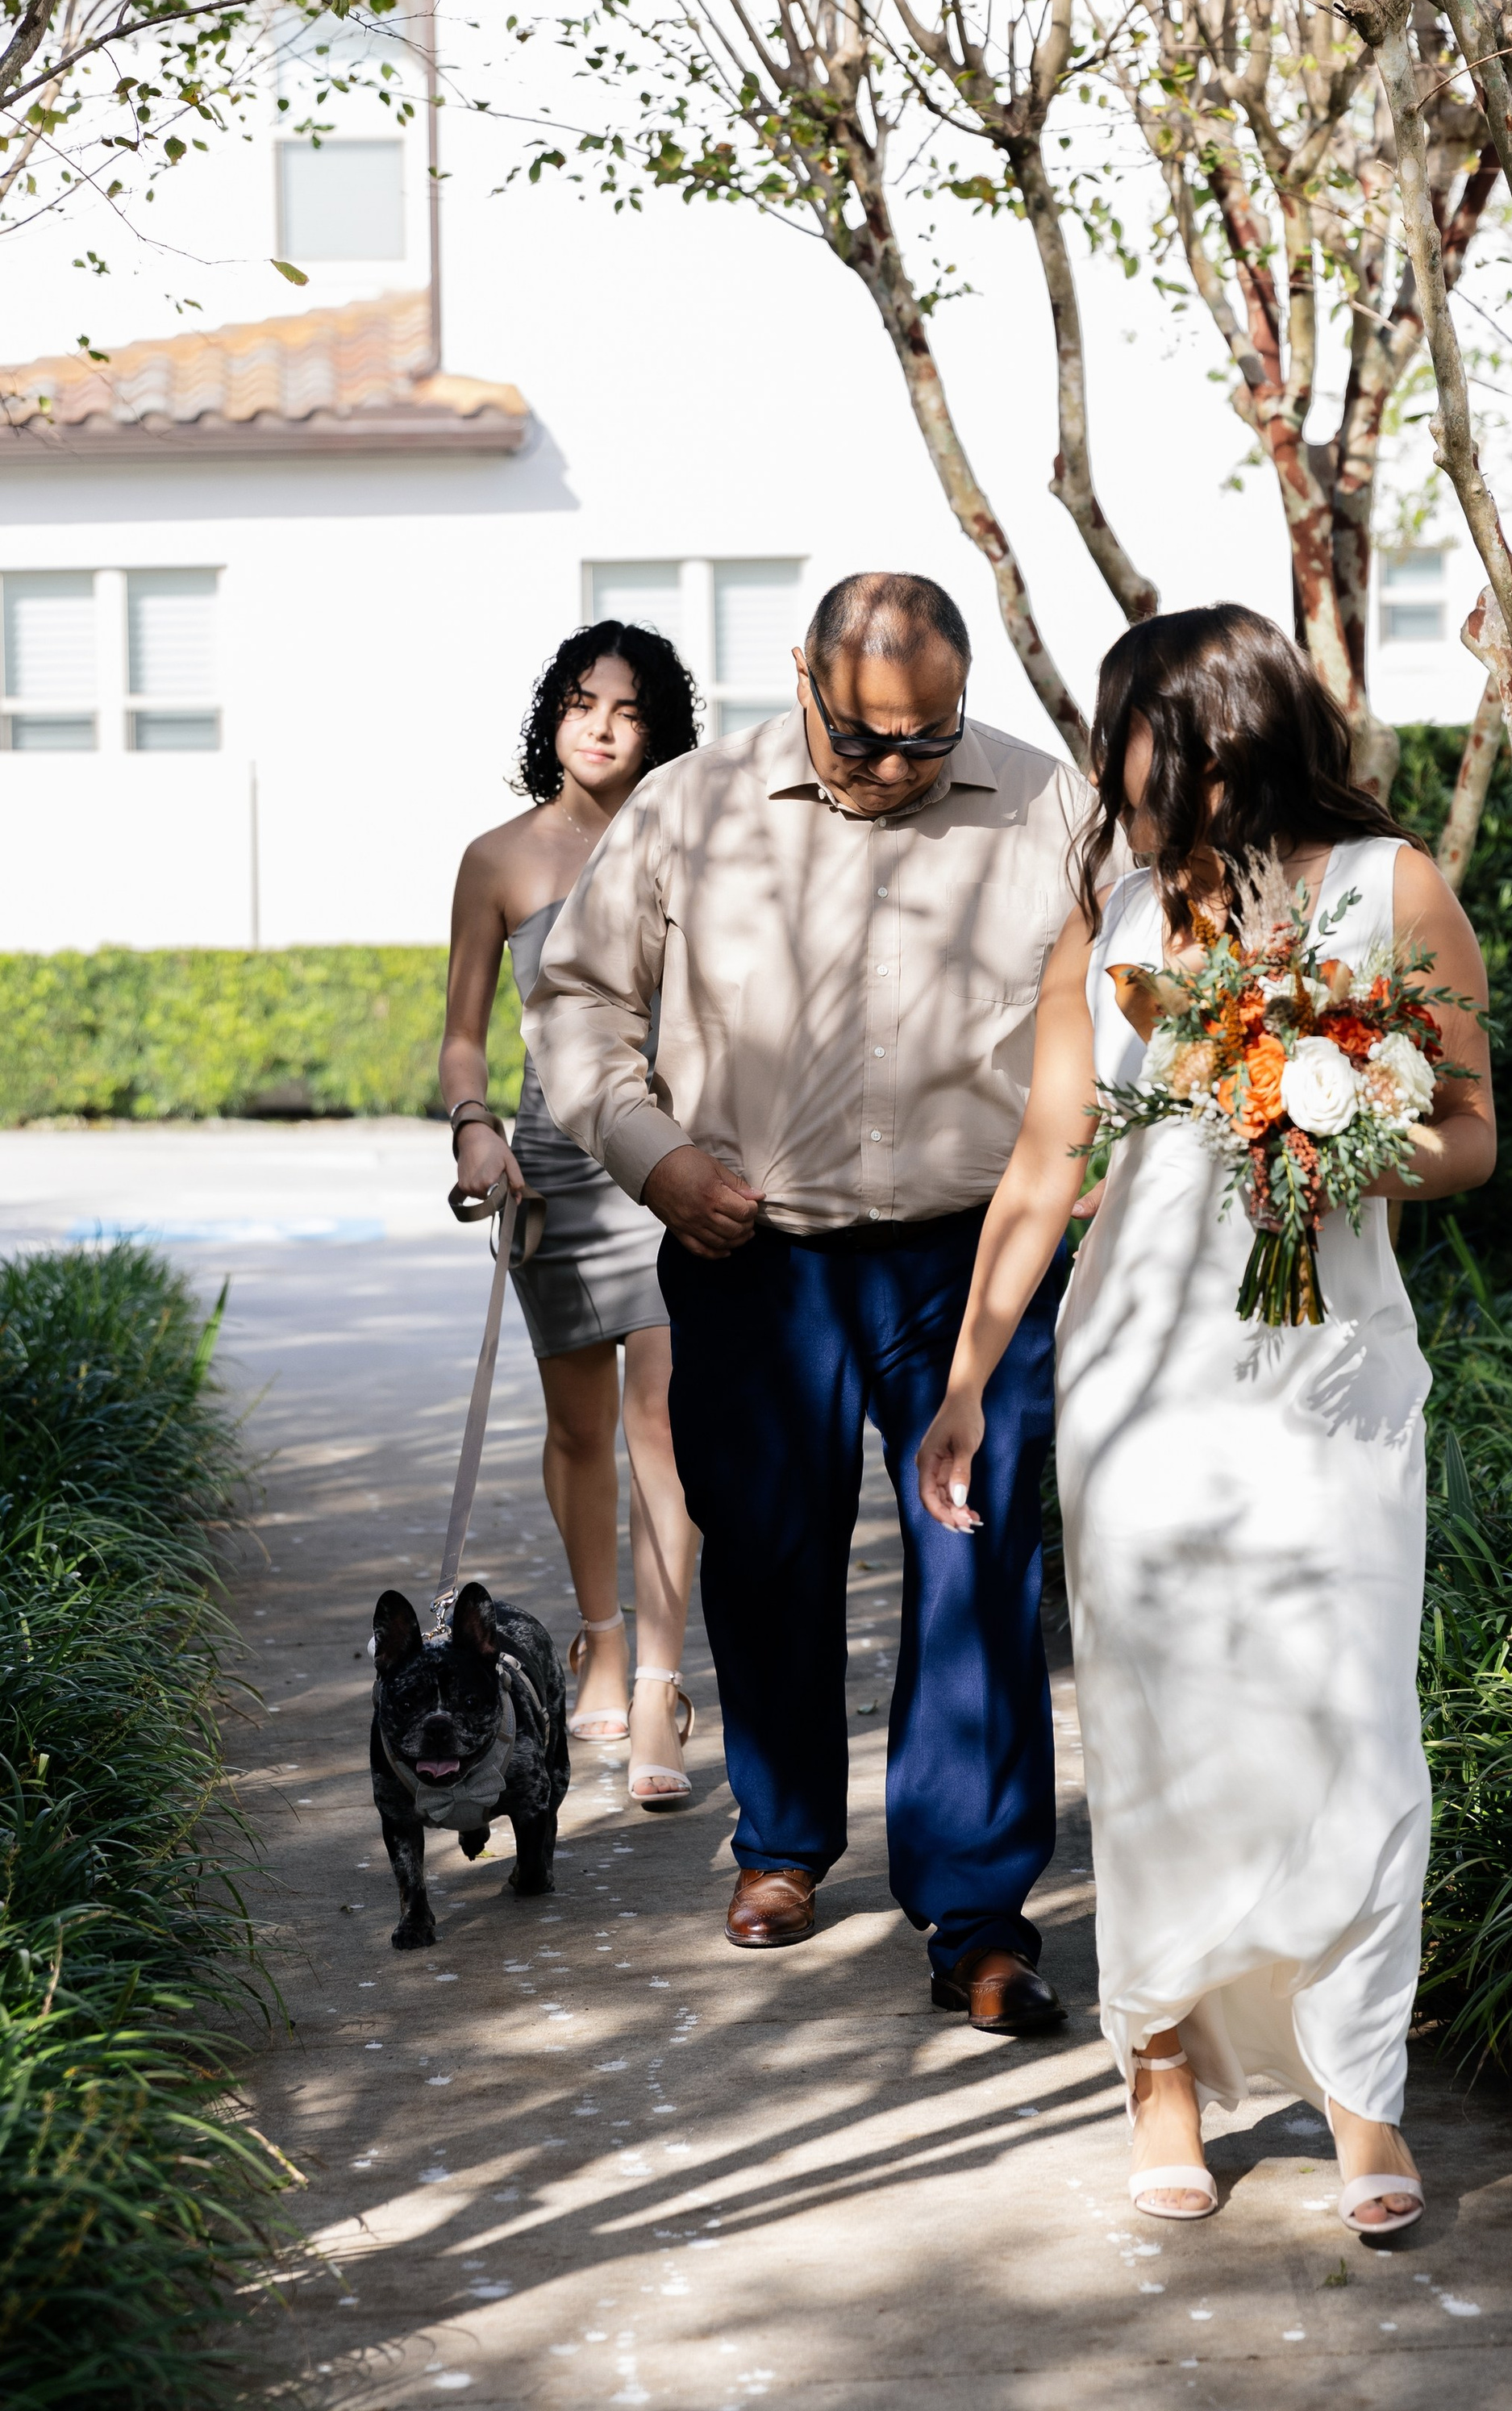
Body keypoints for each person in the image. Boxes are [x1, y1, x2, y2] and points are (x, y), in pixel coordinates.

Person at [915, 606, 1496, 2233]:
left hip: (1329, 1377)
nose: (1111, 766)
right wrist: (971, 1378)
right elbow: (1041, 1168)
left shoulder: (1393, 892)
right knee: (1161, 1722)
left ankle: (1356, 2086)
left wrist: (1353, 1132)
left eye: (1128, 731)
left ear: (1211, 730)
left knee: (1353, 1725)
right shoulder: (1105, 923)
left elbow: (1468, 1138)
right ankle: (1156, 2061)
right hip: (1140, 1374)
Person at [525, 571, 1093, 2028]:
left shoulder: (1048, 803)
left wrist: (1106, 1150)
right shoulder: (692, 808)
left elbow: (1132, 1000)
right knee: (769, 1557)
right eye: (866, 739)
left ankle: (977, 1910)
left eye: (928, 740)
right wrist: (654, 1163)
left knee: (978, 1573)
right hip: (748, 1250)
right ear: (802, 678)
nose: (899, 768)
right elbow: (579, 999)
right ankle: (783, 1839)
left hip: (975, 1259)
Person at [440, 623, 704, 1812]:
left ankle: (657, 1681)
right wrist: (473, 1126)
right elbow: (461, 1032)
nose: (601, 726)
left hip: (670, 1165)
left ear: (661, 734)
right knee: (581, 1432)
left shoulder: (693, 845)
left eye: (629, 710)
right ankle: (601, 1632)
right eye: (583, 703)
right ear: (553, 715)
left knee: (664, 1425)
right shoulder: (497, 859)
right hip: (549, 1169)